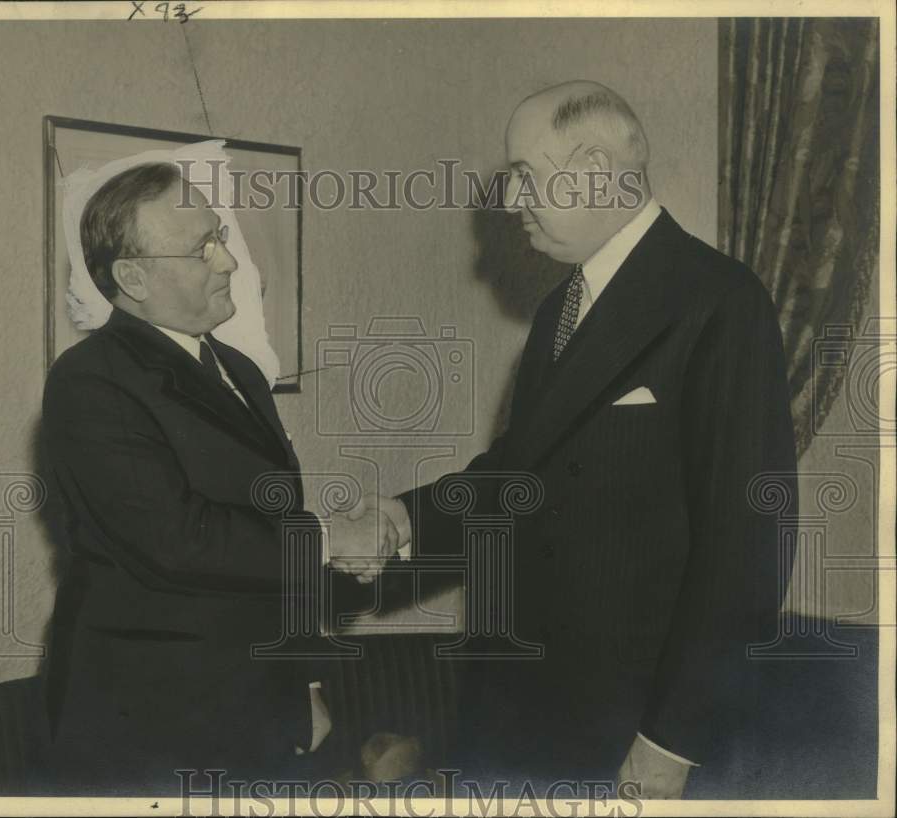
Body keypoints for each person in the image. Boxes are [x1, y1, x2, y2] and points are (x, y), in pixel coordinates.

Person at [353, 81, 798, 797]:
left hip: (625, 729)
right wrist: (408, 518)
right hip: (517, 708)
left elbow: (747, 546)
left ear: (594, 169)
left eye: (523, 174)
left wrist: (671, 740)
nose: (509, 200)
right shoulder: (563, 304)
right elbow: (518, 475)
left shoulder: (720, 300)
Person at [39, 161, 393, 793]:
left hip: (260, 713)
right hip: (155, 731)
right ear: (132, 277)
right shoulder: (90, 379)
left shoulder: (237, 368)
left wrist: (305, 683)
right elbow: (177, 539)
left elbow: (271, 539)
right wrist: (332, 538)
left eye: (220, 236)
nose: (228, 261)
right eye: (202, 248)